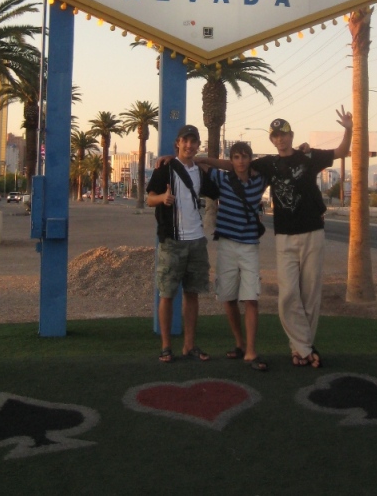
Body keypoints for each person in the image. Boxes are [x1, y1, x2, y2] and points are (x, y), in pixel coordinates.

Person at [249, 107, 352, 368]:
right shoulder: (268, 163)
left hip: (313, 232)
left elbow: (341, 151)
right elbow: (235, 164)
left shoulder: (309, 156)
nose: (280, 139)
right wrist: (199, 161)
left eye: (283, 134)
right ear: (272, 139)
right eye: (275, 135)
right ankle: (307, 348)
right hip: (285, 236)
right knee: (287, 295)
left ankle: (298, 349)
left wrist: (348, 129)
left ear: (291, 135)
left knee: (310, 295)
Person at [146, 124, 219, 364]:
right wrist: (162, 198)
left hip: (197, 242)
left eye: (193, 141)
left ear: (198, 145)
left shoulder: (200, 172)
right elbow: (149, 199)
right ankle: (166, 346)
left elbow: (218, 189)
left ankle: (189, 345)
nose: (189, 145)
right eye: (185, 141)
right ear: (177, 143)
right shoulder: (164, 169)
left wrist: (205, 162)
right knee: (167, 294)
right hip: (172, 242)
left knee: (192, 294)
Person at [203, 141, 269, 372]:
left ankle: (251, 350)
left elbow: (276, 165)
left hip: (249, 245)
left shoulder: (260, 180)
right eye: (236, 157)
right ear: (231, 160)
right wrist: (200, 158)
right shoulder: (222, 179)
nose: (241, 161)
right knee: (228, 296)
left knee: (251, 298)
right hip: (227, 244)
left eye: (245, 156)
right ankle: (240, 343)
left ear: (250, 159)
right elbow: (198, 164)